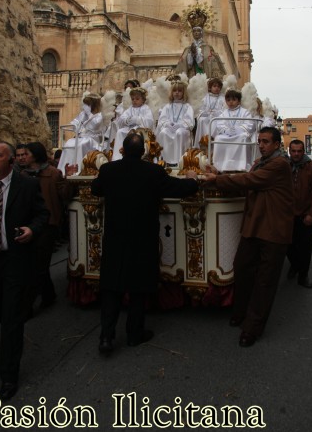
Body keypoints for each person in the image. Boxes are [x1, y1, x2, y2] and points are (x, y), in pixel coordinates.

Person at [91, 132, 199, 356]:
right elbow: (178, 188)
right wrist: (192, 179)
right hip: (142, 237)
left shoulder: (108, 170)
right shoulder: (153, 171)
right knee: (138, 286)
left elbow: (95, 189)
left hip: (116, 237)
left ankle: (106, 337)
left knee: (112, 287)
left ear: (121, 149)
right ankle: (134, 334)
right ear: (144, 152)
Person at [203, 127, 294, 347]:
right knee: (241, 268)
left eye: (265, 142)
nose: (261, 145)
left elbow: (250, 180)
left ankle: (252, 328)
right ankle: (241, 312)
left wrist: (216, 180)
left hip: (273, 232)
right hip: (255, 228)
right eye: (259, 141)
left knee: (265, 282)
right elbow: (248, 178)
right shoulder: (260, 162)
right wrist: (220, 174)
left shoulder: (279, 164)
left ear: (276, 145)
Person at [0, 142, 49, 400]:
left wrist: (32, 230)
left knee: (11, 319)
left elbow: (42, 215)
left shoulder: (25, 186)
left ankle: (8, 376)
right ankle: (12, 326)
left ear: (10, 161)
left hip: (14, 260)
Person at [23, 142, 74, 311]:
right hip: (28, 224)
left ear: (35, 155)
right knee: (33, 264)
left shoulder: (53, 173)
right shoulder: (22, 174)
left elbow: (64, 196)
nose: (22, 157)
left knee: (39, 265)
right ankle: (48, 294)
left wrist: (68, 179)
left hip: (49, 223)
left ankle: (27, 305)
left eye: (26, 154)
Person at [286, 139, 312, 288]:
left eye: (299, 151)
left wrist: (311, 213)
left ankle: (303, 276)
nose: (296, 154)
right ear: (289, 151)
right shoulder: (284, 166)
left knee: (305, 248)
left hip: (305, 215)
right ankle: (295, 265)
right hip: (287, 216)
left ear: (303, 151)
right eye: (293, 151)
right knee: (287, 245)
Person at [57, 92, 104, 175]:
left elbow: (95, 126)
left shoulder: (99, 115)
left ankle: (78, 170)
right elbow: (75, 122)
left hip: (92, 139)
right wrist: (76, 124)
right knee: (69, 143)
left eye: (88, 104)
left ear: (93, 105)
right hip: (81, 137)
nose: (85, 106)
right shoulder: (83, 114)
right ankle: (64, 170)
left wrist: (89, 114)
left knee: (80, 145)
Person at [212, 88, 255, 172]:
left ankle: (241, 165)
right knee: (218, 138)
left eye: (234, 99)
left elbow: (250, 124)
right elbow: (220, 124)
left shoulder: (245, 112)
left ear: (238, 101)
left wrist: (239, 129)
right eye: (228, 100)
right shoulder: (224, 113)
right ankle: (220, 165)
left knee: (243, 137)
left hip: (240, 134)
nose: (231, 102)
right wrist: (226, 130)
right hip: (227, 135)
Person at [156, 80, 195, 166]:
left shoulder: (187, 106)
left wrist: (179, 125)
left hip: (182, 129)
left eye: (179, 91)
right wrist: (167, 124)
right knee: (163, 132)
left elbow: (189, 121)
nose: (177, 93)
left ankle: (179, 161)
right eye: (174, 91)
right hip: (169, 128)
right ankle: (166, 161)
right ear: (171, 92)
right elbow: (162, 120)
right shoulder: (167, 106)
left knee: (179, 133)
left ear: (183, 93)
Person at [111, 87, 154, 161]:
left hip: (141, 130)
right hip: (129, 128)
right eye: (133, 99)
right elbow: (121, 119)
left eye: (137, 99)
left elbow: (149, 121)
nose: (134, 101)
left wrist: (137, 119)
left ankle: (137, 156)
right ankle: (118, 157)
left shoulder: (146, 108)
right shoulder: (130, 109)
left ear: (143, 100)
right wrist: (127, 120)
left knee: (135, 134)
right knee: (120, 132)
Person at [193, 77, 225, 148]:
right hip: (206, 118)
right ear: (210, 88)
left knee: (216, 122)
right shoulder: (205, 98)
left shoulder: (222, 98)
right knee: (201, 120)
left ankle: (214, 146)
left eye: (218, 87)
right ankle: (202, 144)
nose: (217, 88)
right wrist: (206, 113)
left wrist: (216, 113)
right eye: (214, 86)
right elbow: (200, 109)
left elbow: (224, 110)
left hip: (217, 118)